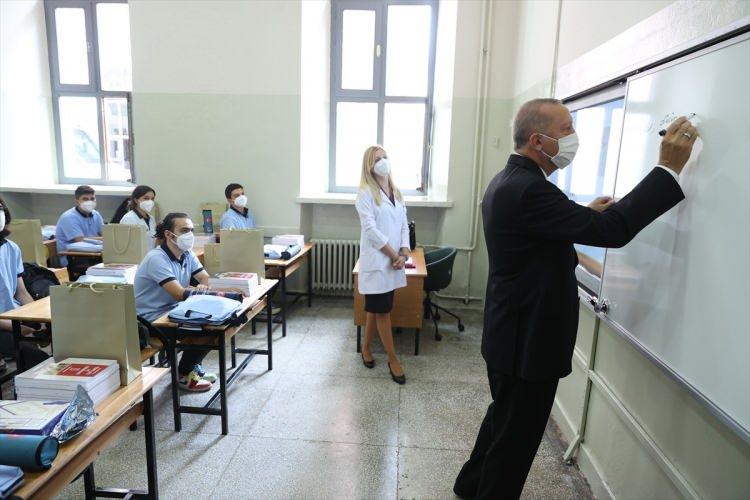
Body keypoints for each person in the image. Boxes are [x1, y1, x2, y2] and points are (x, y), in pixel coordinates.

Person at [453, 98, 698, 499]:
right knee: (515, 443)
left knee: (505, 420)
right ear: (538, 141)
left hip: (510, 334)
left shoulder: (510, 180)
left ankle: (469, 485)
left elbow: (534, 238)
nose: (574, 136)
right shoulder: (531, 190)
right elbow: (614, 230)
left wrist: (582, 213)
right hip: (527, 343)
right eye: (566, 128)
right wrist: (667, 169)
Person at [134, 213, 217, 391]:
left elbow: (205, 278)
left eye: (191, 230)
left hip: (173, 311)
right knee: (207, 333)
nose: (190, 235)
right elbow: (179, 294)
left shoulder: (187, 254)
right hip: (151, 320)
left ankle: (192, 367)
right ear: (168, 234)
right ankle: (183, 374)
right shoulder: (156, 258)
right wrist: (197, 290)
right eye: (184, 230)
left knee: (214, 326)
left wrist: (201, 287)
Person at [355, 145, 410, 385]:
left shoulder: (396, 192)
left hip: (394, 261)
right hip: (379, 261)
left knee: (376, 309)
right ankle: (393, 359)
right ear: (369, 165)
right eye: (377, 159)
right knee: (383, 311)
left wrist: (404, 252)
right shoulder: (365, 193)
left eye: (385, 157)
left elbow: (403, 224)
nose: (383, 161)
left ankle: (366, 348)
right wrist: (393, 254)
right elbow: (371, 230)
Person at [0, 197, 50, 374]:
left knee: (57, 332)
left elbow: (22, 293)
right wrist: (21, 329)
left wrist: (39, 320)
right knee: (38, 360)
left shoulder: (11, 248)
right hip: (5, 324)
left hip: (14, 316)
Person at [54, 185, 104, 266]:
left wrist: (106, 239)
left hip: (93, 254)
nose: (89, 202)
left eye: (92, 199)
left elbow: (106, 235)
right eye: (85, 199)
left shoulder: (96, 214)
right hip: (73, 258)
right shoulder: (69, 217)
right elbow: (80, 241)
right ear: (77, 201)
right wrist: (102, 240)